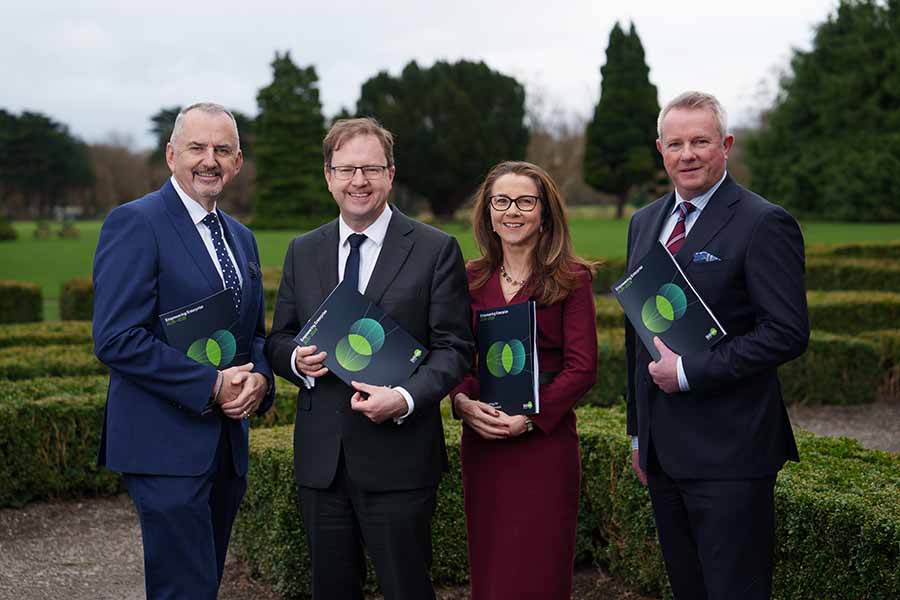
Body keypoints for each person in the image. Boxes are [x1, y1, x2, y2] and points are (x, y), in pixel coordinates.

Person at [264, 117, 473, 600]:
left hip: (400, 459)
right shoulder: (303, 251)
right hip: (322, 463)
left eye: (371, 169)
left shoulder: (435, 249)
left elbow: (455, 347)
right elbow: (278, 339)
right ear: (329, 176)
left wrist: (404, 398)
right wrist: (295, 360)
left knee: (407, 589)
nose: (358, 181)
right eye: (346, 169)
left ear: (390, 175)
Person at [625, 91, 809, 599]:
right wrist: (639, 435)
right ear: (660, 150)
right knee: (688, 589)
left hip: (732, 454)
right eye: (676, 144)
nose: (687, 154)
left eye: (700, 142)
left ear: (725, 145)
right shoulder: (644, 222)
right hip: (664, 454)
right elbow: (638, 336)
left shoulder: (763, 221)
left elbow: (787, 332)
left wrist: (689, 372)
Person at [92, 102, 274, 599]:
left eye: (223, 150)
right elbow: (116, 337)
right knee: (183, 589)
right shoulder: (136, 223)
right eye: (197, 147)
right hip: (164, 447)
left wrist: (260, 379)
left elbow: (254, 335)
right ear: (172, 155)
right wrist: (211, 384)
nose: (209, 160)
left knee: (202, 585)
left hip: (225, 448)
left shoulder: (242, 238)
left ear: (237, 162)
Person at [450, 161, 598, 600]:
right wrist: (461, 403)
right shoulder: (468, 278)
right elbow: (456, 357)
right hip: (484, 441)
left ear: (545, 213)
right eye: (501, 201)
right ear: (488, 212)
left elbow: (582, 368)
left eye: (525, 202)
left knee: (540, 567)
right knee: (492, 567)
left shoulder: (572, 279)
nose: (512, 211)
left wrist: (530, 418)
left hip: (544, 444)